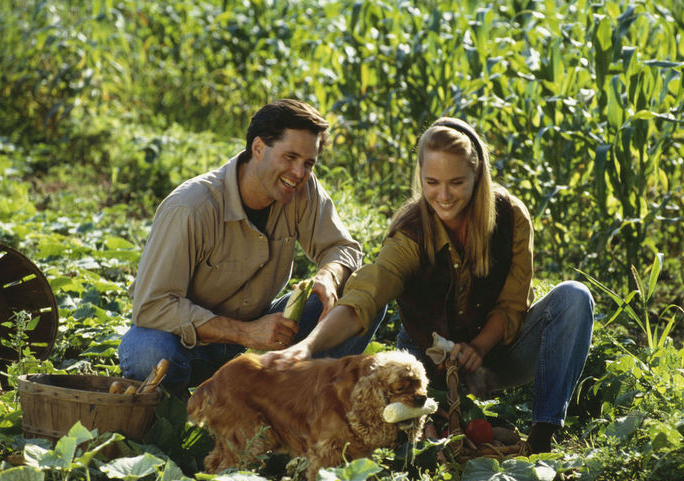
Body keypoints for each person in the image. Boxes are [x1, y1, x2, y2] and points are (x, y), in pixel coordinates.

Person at [262, 117, 594, 453]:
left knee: (574, 297)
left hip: (496, 357)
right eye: (432, 182)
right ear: (420, 176)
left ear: (477, 176)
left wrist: (478, 347)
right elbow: (368, 294)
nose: (444, 196)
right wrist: (306, 347)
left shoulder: (509, 216)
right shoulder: (412, 231)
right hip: (426, 362)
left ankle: (541, 436)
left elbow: (512, 305)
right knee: (404, 433)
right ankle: (404, 424)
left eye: (456, 182)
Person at [118, 99, 384, 393]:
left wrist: (329, 276)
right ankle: (176, 416)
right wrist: (246, 333)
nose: (299, 173)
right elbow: (152, 306)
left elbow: (343, 249)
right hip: (183, 344)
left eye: (308, 163)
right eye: (290, 157)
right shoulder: (191, 207)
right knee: (147, 350)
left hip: (254, 335)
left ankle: (298, 402)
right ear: (258, 148)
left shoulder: (301, 188)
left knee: (363, 290)